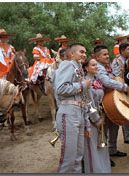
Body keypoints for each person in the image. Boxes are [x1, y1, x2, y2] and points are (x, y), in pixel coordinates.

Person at [52, 43, 92, 173]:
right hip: (69, 112)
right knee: (68, 158)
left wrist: (86, 123)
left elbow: (84, 99)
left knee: (78, 156)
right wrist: (82, 85)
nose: (84, 55)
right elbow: (61, 89)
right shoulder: (67, 65)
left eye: (85, 52)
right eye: (81, 52)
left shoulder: (79, 69)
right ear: (72, 54)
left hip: (78, 112)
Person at [94, 45, 129, 166]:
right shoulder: (97, 67)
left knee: (114, 126)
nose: (107, 56)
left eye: (108, 54)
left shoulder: (107, 66)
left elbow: (114, 77)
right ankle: (105, 156)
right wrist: (123, 86)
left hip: (111, 101)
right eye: (104, 54)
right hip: (103, 102)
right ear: (97, 57)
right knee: (105, 131)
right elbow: (106, 82)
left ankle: (112, 150)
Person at [82, 58, 111, 173]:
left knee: (101, 144)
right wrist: (97, 120)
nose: (96, 67)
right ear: (86, 68)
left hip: (100, 115)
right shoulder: (86, 82)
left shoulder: (97, 80)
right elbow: (88, 104)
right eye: (93, 65)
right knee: (92, 147)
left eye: (96, 65)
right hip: (91, 118)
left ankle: (103, 168)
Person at [111, 43, 129, 145]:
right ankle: (127, 136)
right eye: (128, 49)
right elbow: (116, 76)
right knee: (126, 111)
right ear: (122, 51)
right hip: (122, 89)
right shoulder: (117, 62)